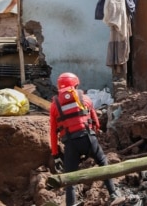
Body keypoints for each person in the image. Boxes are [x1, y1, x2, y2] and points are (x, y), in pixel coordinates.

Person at [49, 72, 119, 204]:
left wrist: (55, 154)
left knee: (70, 178)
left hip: (70, 144)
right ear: (75, 84)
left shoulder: (54, 106)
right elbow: (96, 122)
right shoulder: (85, 98)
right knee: (103, 163)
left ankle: (71, 204)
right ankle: (113, 193)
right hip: (88, 138)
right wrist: (94, 136)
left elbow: (53, 132)